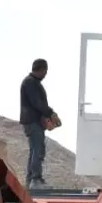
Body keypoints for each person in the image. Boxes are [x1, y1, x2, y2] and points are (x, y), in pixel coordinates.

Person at [20, 58, 57, 189]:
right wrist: (50, 113)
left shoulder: (31, 82)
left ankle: (31, 180)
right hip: (33, 121)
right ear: (41, 69)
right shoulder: (31, 83)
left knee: (34, 150)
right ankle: (35, 180)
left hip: (32, 121)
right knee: (38, 149)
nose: (46, 74)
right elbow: (37, 103)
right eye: (45, 71)